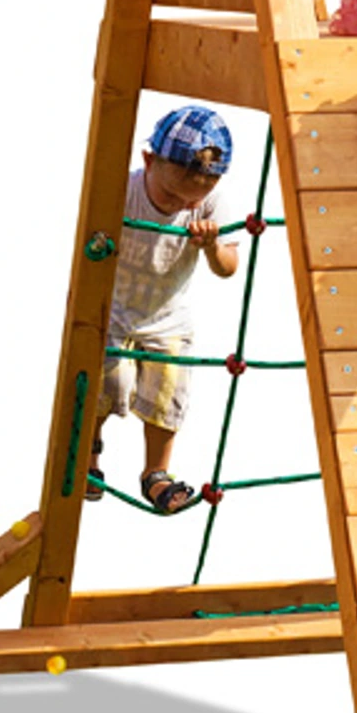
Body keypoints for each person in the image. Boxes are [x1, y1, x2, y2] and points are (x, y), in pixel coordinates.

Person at [94, 103, 242, 513]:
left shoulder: (209, 207)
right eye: (172, 194)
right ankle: (90, 451)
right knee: (109, 384)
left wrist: (211, 246)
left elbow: (228, 267)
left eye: (194, 197)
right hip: (113, 309)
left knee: (169, 393)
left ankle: (156, 474)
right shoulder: (123, 190)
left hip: (166, 316)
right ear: (148, 161)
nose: (182, 204)